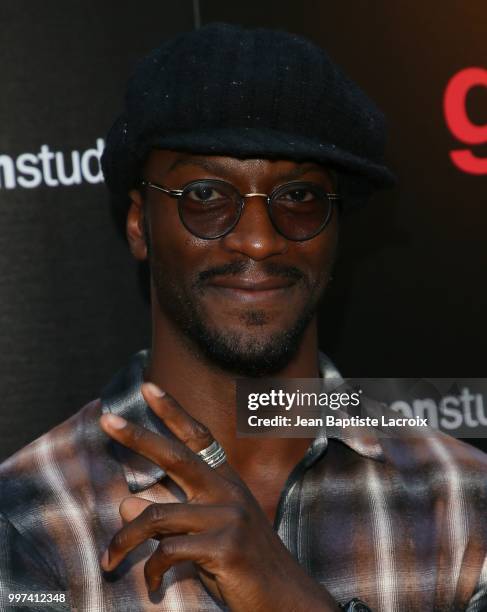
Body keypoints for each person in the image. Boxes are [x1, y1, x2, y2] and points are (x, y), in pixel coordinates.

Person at [0, 22, 486, 612]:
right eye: (206, 196)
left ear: (336, 231)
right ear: (139, 225)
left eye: (299, 198)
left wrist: (283, 591)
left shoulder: (464, 501)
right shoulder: (25, 514)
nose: (258, 241)